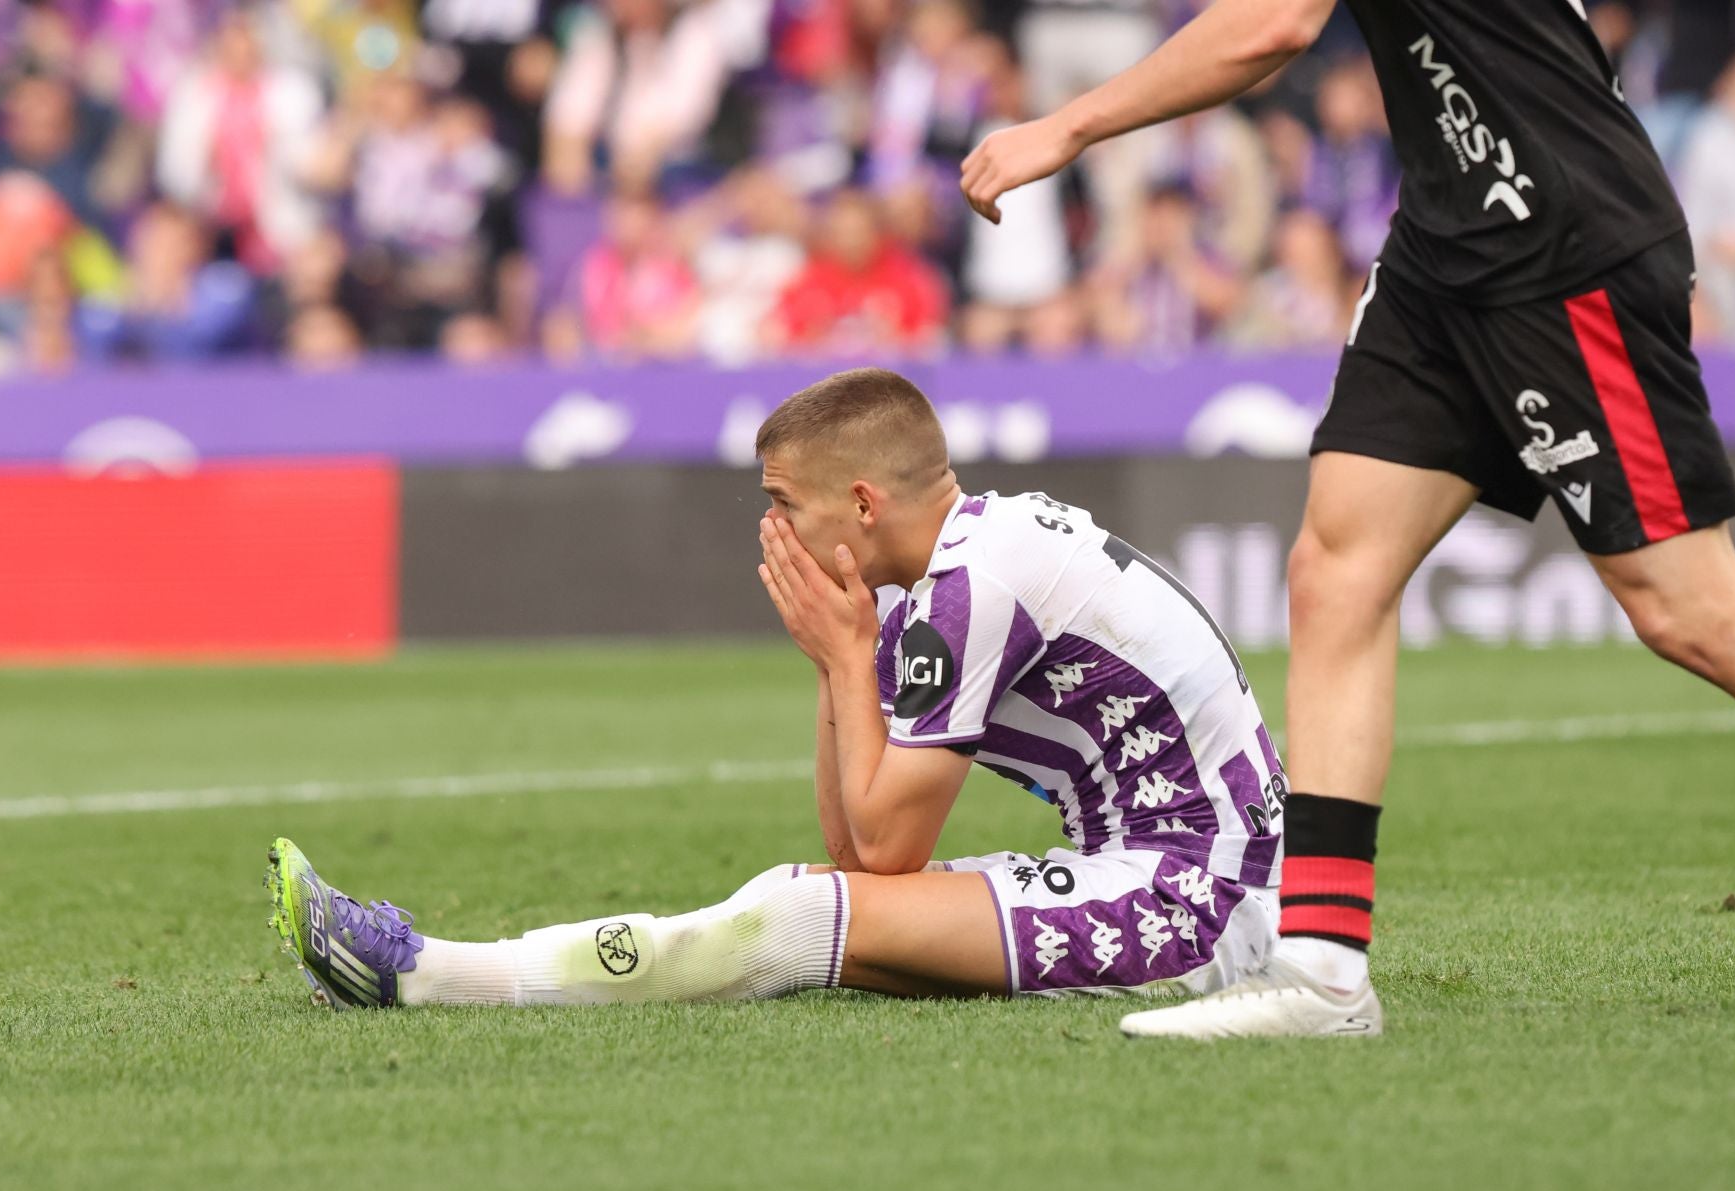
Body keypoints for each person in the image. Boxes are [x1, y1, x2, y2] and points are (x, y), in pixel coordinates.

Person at [960, 0, 1735, 1038]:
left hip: (1559, 244)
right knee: (1337, 570)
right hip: (1447, 249)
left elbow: (1270, 25)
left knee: (1687, 609)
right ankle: (1323, 972)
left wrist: (1064, 126)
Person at [264, 366, 1287, 1009]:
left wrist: (847, 659)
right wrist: (833, 660)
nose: (773, 528)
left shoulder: (976, 584)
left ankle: (427, 973)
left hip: (1201, 905)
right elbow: (859, 853)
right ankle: (433, 967)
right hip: (1161, 878)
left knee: (797, 920)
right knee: (806, 904)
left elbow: (887, 850)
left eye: (783, 503)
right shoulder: (953, 572)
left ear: (860, 500)